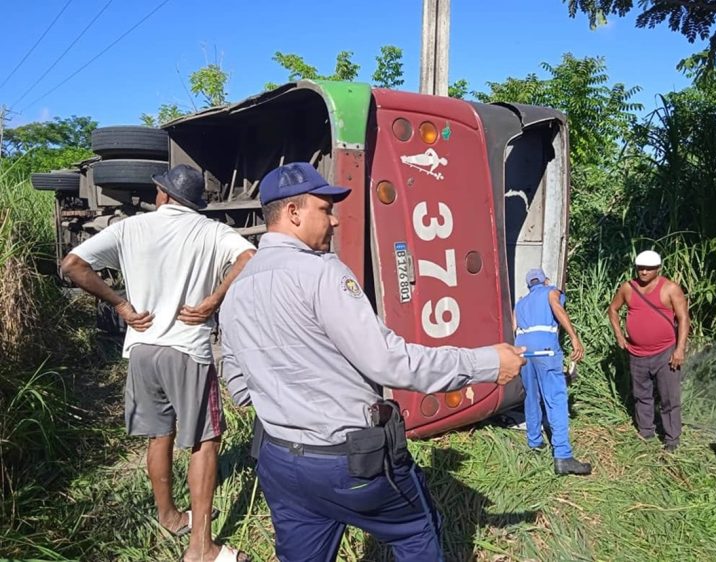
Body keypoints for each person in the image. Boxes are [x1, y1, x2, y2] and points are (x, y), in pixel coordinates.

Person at [219, 162, 527, 562]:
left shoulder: (237, 288)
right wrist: (488, 363)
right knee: (417, 531)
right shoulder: (321, 274)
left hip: (279, 462)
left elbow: (240, 389)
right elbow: (389, 363)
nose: (333, 222)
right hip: (348, 462)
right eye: (324, 209)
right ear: (293, 212)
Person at [61, 164, 255, 562]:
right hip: (188, 348)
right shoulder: (211, 231)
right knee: (205, 440)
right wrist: (211, 302)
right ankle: (201, 548)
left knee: (158, 434)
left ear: (163, 194)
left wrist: (120, 305)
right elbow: (250, 257)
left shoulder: (130, 229)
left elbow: (72, 265)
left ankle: (168, 516)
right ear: (195, 201)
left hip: (143, 347)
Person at [608, 250, 689, 452]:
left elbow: (684, 319)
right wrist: (619, 335)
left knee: (669, 397)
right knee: (641, 395)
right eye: (640, 268)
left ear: (658, 269)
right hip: (637, 353)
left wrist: (679, 349)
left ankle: (672, 439)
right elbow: (613, 309)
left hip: (665, 351)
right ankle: (646, 432)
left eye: (648, 268)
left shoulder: (670, 288)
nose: (643, 272)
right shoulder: (628, 287)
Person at [513, 268, 591, 476]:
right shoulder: (550, 292)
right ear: (545, 280)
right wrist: (574, 337)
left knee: (531, 397)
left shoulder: (520, 303)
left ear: (529, 285)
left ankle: (535, 441)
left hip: (524, 353)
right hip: (546, 351)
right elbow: (558, 308)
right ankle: (563, 456)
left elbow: (514, 327)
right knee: (556, 399)